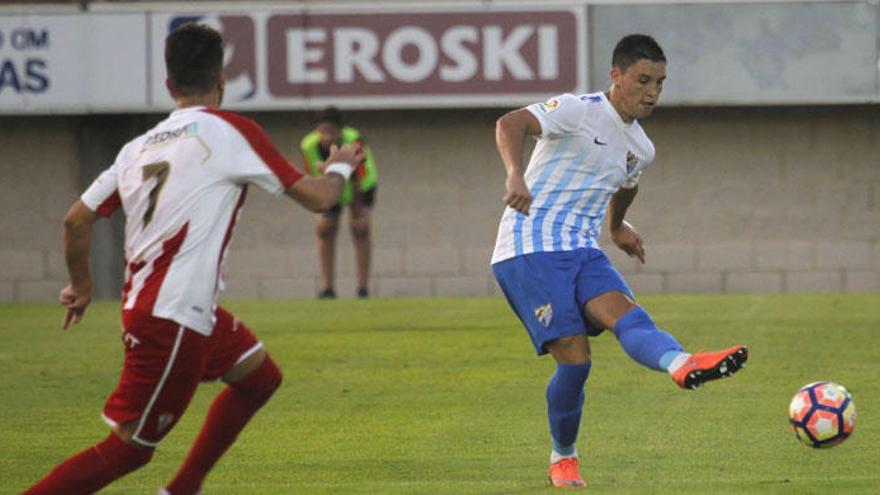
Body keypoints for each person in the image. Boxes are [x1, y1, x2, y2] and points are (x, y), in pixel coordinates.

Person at [24, 23, 362, 495]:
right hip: (173, 317)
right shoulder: (229, 131)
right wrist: (342, 164)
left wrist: (80, 287)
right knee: (129, 450)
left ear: (168, 85)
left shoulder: (135, 148)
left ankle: (182, 489)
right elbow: (321, 198)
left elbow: (75, 221)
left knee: (259, 378)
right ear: (220, 82)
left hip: (178, 309)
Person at [491, 34, 748, 489]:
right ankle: (563, 457)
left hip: (584, 249)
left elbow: (627, 181)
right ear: (616, 76)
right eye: (643, 80)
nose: (652, 91)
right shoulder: (578, 109)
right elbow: (510, 123)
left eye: (661, 83)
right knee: (576, 361)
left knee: (629, 317)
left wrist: (616, 228)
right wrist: (515, 174)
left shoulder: (641, 146)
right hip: (529, 247)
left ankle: (682, 363)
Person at [300, 107, 378, 299]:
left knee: (360, 229)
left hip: (360, 185)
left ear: (340, 131)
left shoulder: (353, 140)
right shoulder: (308, 145)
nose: (327, 137)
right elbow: (312, 175)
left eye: (332, 132)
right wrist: (322, 205)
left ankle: (362, 289)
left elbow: (359, 177)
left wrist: (358, 211)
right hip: (330, 184)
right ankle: (327, 288)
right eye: (323, 131)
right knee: (325, 228)